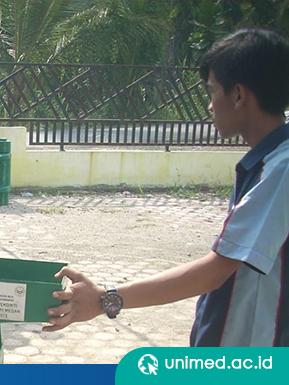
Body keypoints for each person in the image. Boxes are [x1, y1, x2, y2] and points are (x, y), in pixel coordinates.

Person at [46, 27, 289, 347]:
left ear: (239, 95)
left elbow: (214, 271)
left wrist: (105, 299)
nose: (210, 106)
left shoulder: (280, 169)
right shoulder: (267, 162)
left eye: (213, 91)